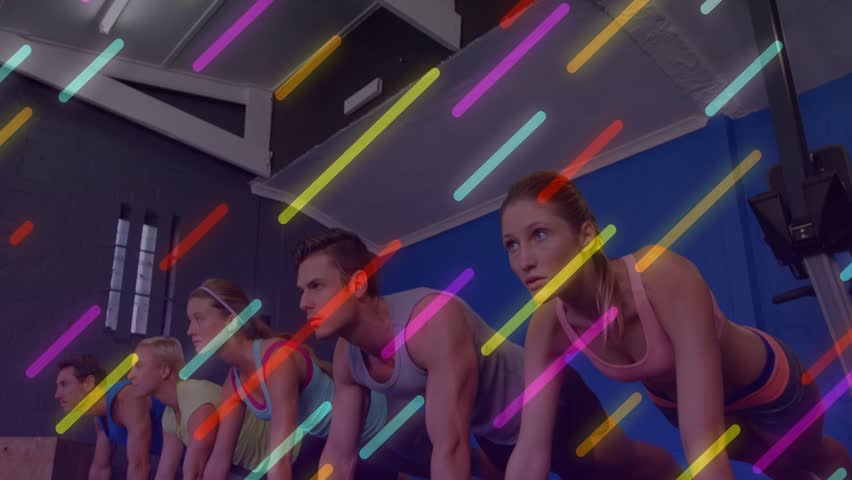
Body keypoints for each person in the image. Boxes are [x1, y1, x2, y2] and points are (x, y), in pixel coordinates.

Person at [499, 171, 852, 480]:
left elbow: (704, 444)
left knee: (812, 460)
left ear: (587, 234)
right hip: (678, 406)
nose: (524, 260)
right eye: (511, 246)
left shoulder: (660, 275)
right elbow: (530, 453)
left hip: (765, 386)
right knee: (783, 472)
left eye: (540, 235)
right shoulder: (547, 326)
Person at [293, 228, 679, 480]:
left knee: (623, 466)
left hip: (550, 400)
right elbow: (340, 456)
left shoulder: (429, 322)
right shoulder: (348, 359)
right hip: (493, 430)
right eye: (301, 291)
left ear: (357, 283)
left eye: (315, 286)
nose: (304, 302)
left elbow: (450, 445)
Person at [186, 279, 397, 480]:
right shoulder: (233, 385)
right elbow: (219, 461)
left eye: (199, 318)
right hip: (343, 445)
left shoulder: (277, 360)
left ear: (231, 322)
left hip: (387, 425)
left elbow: (279, 459)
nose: (190, 330)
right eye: (190, 321)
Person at [128, 336, 270, 480]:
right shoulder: (170, 416)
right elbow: (165, 474)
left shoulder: (197, 400)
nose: (130, 375)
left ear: (164, 370)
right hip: (247, 470)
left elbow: (194, 474)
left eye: (139, 366)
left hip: (283, 464)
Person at [55, 354, 165, 480]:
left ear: (89, 383)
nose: (57, 395)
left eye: (64, 384)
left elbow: (139, 465)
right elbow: (100, 468)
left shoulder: (127, 398)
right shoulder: (100, 418)